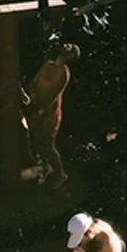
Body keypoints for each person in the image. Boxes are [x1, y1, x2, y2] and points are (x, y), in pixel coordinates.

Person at [23, 43, 80, 187]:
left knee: (48, 144)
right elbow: (35, 82)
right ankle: (44, 170)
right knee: (36, 141)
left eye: (69, 47)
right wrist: (31, 96)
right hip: (36, 106)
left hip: (50, 112)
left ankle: (60, 174)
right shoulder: (48, 65)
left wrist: (43, 110)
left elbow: (55, 94)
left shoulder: (64, 72)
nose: (65, 45)